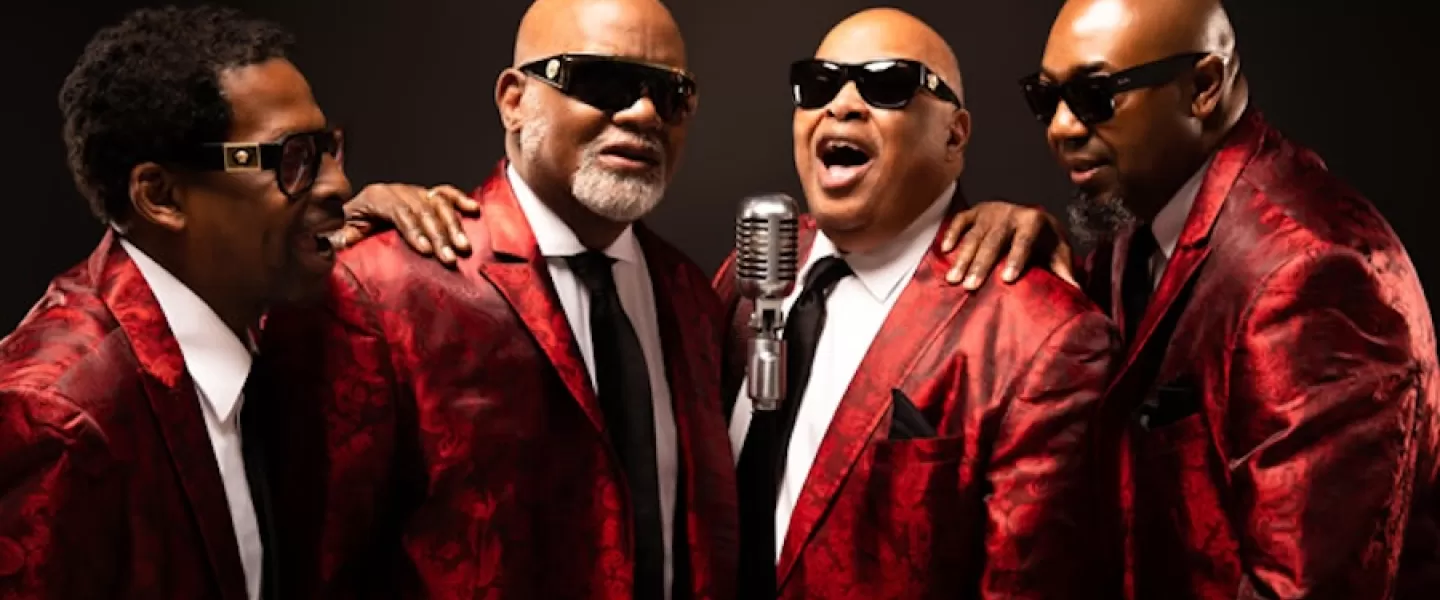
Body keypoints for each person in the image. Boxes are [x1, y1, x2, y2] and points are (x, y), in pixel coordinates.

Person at [940, 0, 1440, 597]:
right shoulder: (1143, 219)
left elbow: (1305, 588)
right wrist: (1051, 266)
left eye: (1096, 95)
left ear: (1203, 86)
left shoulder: (1313, 274)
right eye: (1046, 98)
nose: (1062, 127)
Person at [258, 0, 737, 597]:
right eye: (603, 81)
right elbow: (313, 566)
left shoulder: (693, 297)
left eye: (671, 94)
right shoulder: (381, 290)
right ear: (514, 100)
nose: (643, 113)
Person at [712, 8, 1120, 599]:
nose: (842, 105)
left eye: (887, 84)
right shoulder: (746, 275)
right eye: (819, 84)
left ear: (954, 135)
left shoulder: (1042, 334)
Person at [0, 6, 345, 599]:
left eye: (329, 149)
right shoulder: (58, 417)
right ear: (160, 196)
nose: (338, 184)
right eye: (292, 159)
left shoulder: (260, 324)